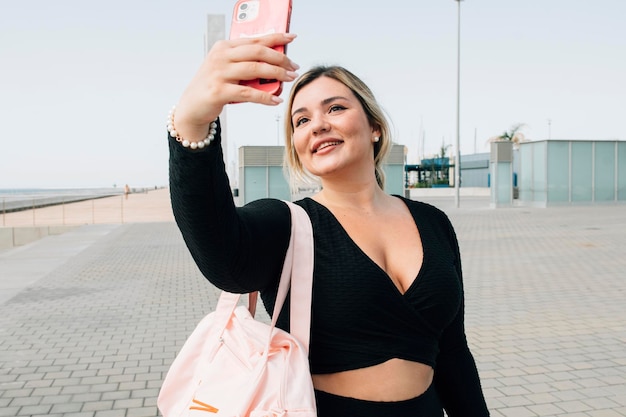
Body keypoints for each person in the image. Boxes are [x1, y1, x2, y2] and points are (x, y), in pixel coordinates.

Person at [167, 33, 490, 417]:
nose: (317, 125)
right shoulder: (286, 224)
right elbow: (224, 259)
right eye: (301, 120)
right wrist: (192, 122)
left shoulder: (433, 223)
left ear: (374, 127)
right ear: (298, 147)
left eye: (334, 108)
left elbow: (453, 351)